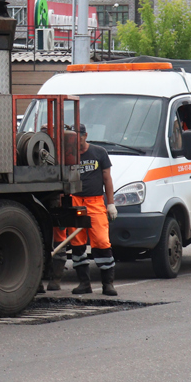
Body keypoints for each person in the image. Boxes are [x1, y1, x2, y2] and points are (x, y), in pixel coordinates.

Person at [64, 123, 117, 296]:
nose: (75, 141)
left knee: (101, 241)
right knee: (77, 242)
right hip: (75, 201)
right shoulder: (68, 155)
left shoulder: (99, 153)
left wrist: (111, 203)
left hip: (95, 202)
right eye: (72, 138)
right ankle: (84, 283)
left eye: (78, 137)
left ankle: (108, 284)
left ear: (85, 136)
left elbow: (107, 179)